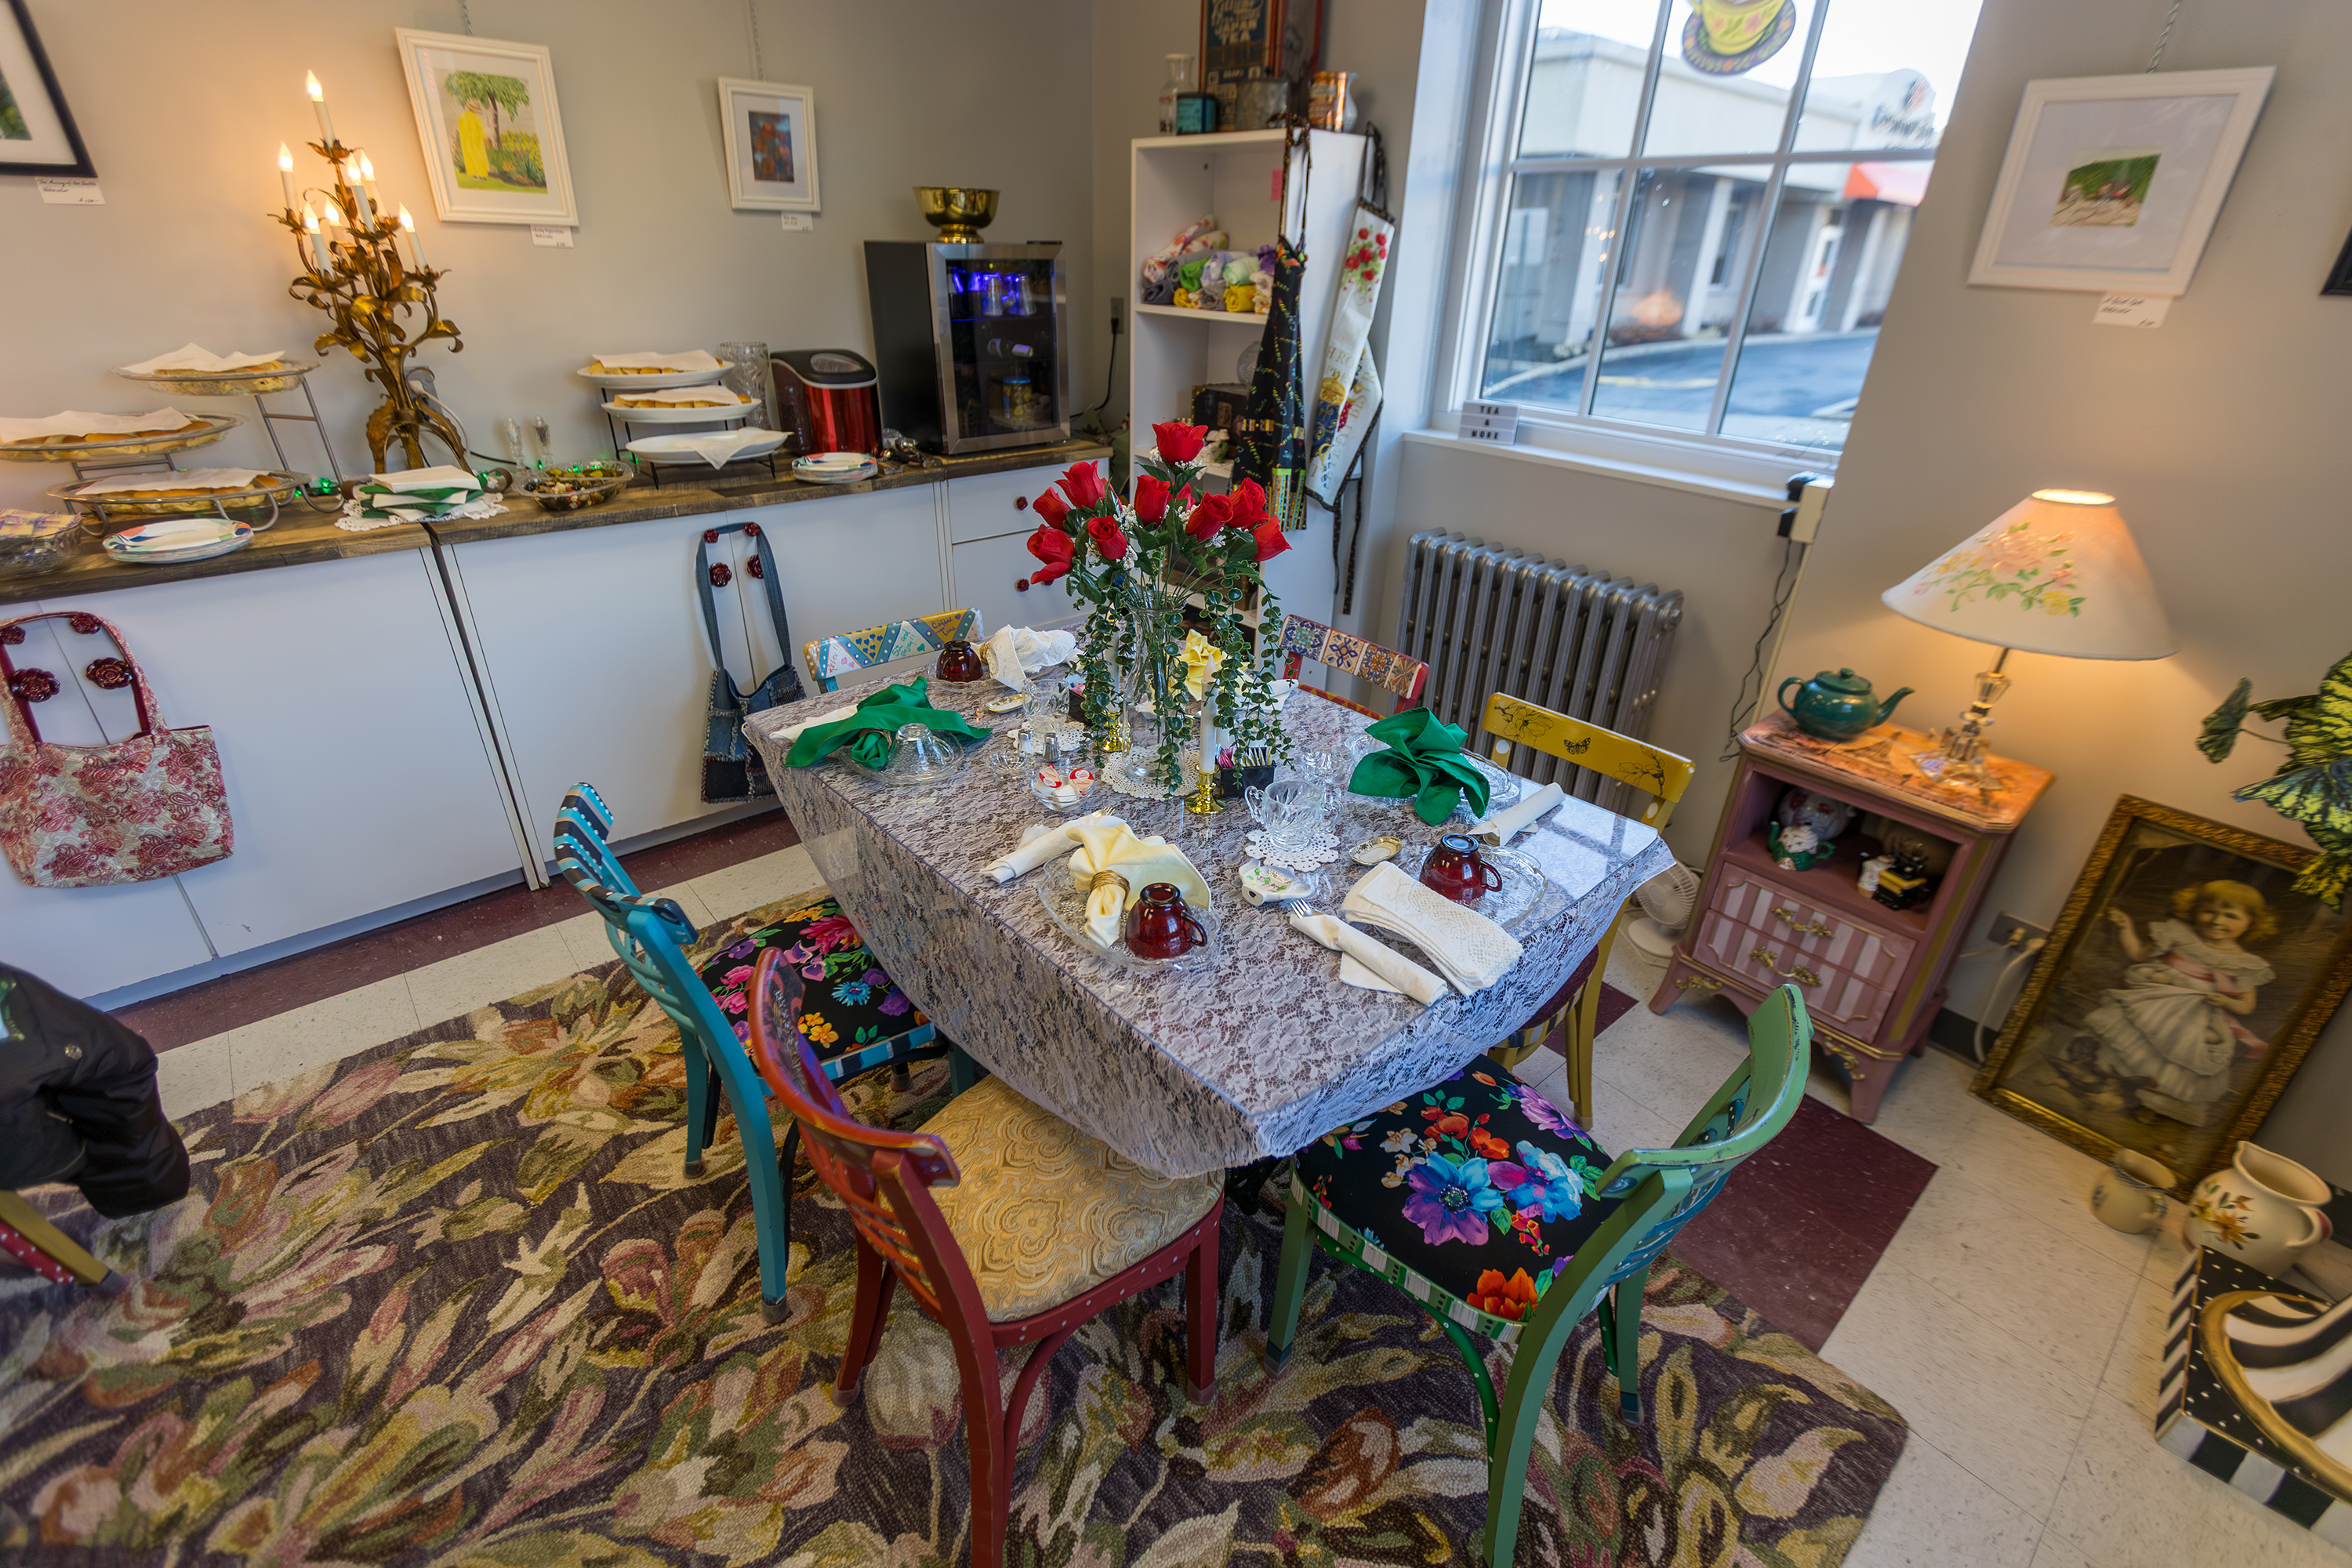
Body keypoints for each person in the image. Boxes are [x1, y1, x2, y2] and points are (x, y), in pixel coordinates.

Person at [2077, 880, 2276, 1127]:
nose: (2217, 921)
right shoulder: (2178, 935)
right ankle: (2107, 1088)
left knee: (2177, 1058)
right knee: (2128, 1046)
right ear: (2194, 910)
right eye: (2209, 911)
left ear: (2251, 922)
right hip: (2151, 1003)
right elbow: (2139, 955)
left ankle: (2151, 1104)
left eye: (2230, 916)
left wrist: (2225, 1000)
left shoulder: (2246, 963)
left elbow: (2247, 1006)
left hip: (2194, 1016)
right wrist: (2126, 928)